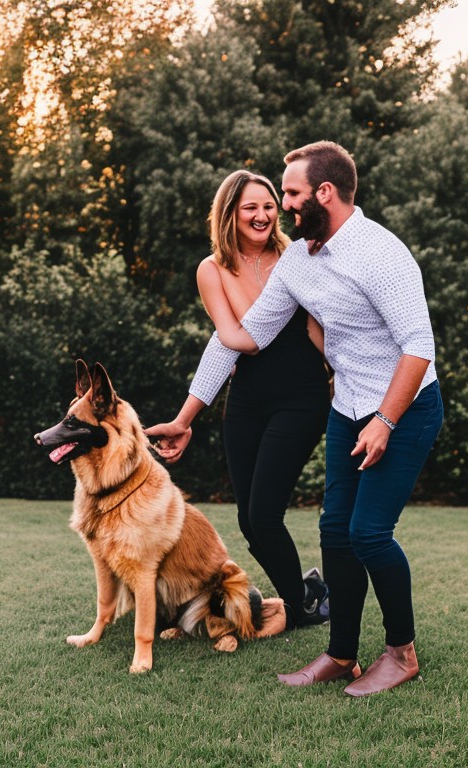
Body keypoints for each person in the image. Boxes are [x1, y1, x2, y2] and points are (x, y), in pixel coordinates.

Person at [147, 141, 443, 697]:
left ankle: (401, 653)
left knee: (369, 534)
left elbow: (418, 346)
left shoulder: (382, 254)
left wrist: (384, 419)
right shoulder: (299, 261)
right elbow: (242, 335)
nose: (281, 206)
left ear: (324, 194)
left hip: (405, 409)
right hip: (347, 407)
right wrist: (190, 413)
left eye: (291, 194)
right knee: (334, 532)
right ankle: (341, 654)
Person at [189, 169, 332, 630]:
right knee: (249, 521)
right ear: (229, 214)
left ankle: (299, 608)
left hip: (301, 396)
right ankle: (305, 593)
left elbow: (319, 329)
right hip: (247, 400)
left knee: (265, 514)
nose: (263, 215)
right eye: (250, 207)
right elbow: (225, 340)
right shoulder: (212, 270)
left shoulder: (298, 255)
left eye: (269, 205)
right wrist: (186, 417)